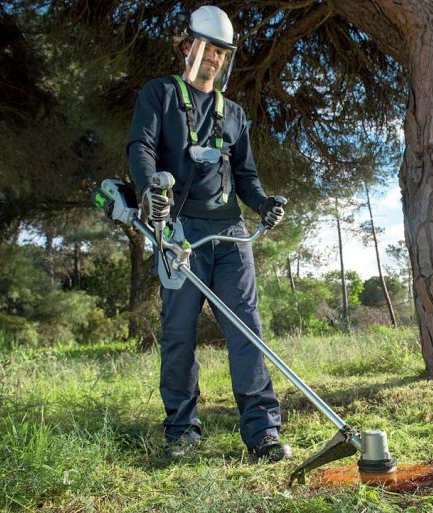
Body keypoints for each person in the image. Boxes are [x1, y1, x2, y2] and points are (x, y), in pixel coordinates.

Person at [126, 4, 290, 461]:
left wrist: (264, 204)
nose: (215, 59)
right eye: (207, 48)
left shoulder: (233, 113)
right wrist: (147, 190)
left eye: (222, 52)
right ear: (186, 47)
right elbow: (140, 146)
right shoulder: (159, 94)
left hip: (230, 235)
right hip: (178, 233)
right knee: (179, 333)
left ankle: (262, 432)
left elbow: (247, 177)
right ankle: (182, 430)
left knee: (247, 331)